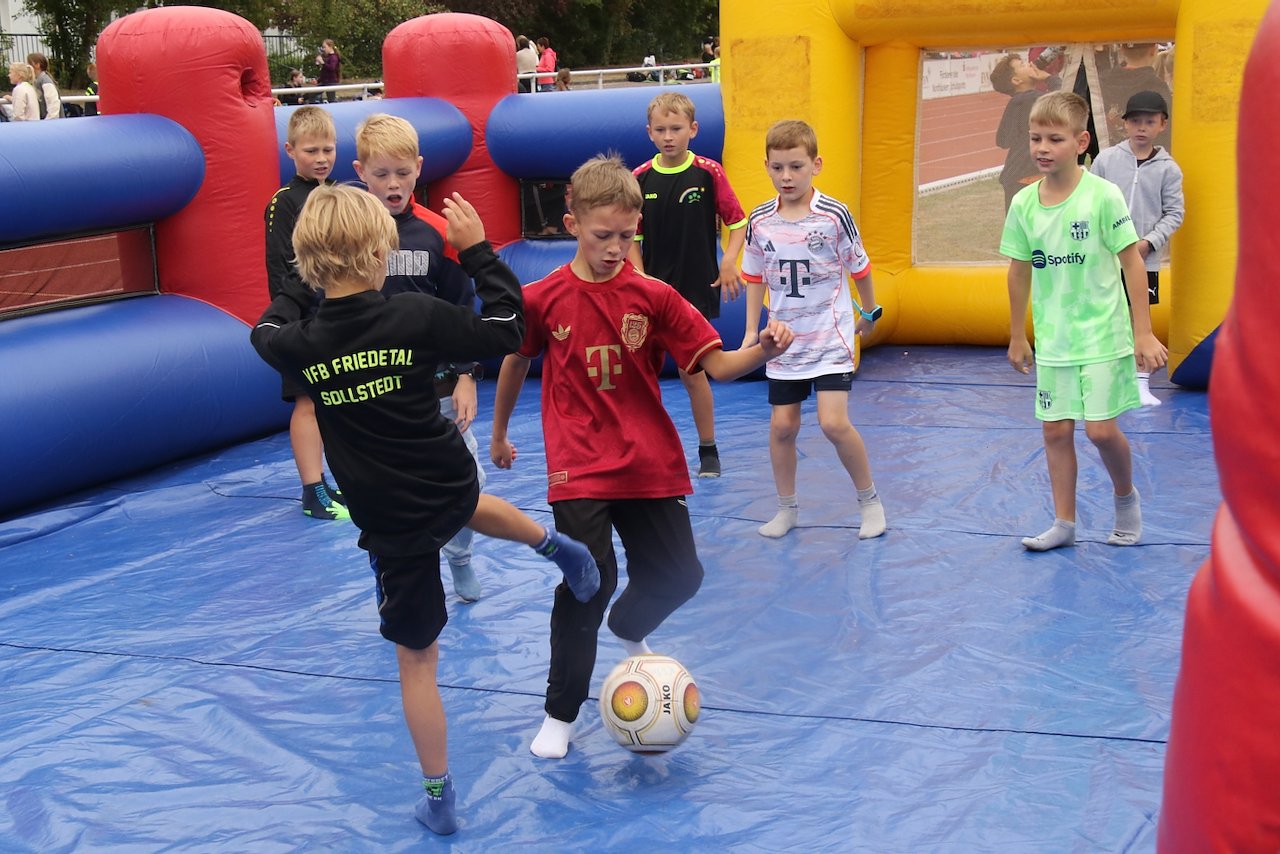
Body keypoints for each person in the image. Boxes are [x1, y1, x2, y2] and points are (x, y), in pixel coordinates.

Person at [250, 183, 600, 836]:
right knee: (467, 504)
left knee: (417, 663)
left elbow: (264, 329)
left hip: (388, 516)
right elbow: (508, 327)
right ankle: (557, 547)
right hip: (441, 473)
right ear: (381, 253)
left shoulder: (297, 342)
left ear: (309, 262)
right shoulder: (413, 315)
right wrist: (477, 252)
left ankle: (439, 797)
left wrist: (302, 283)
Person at [489, 155, 795, 760]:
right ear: (572, 224)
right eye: (602, 235)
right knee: (588, 582)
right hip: (579, 464)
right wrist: (498, 434)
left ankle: (628, 627)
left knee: (682, 576)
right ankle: (560, 713)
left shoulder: (653, 296)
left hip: (649, 460)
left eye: (626, 236)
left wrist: (763, 349)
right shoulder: (542, 298)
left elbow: (719, 366)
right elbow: (516, 361)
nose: (614, 248)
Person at [1000, 91, 1168, 551]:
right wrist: (1017, 335)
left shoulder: (1102, 196)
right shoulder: (1024, 204)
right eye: (1035, 138)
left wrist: (1143, 332)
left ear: (1081, 142)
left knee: (1100, 430)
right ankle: (1064, 523)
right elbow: (1018, 271)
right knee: (1055, 430)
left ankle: (1125, 498)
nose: (1042, 147)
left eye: (1055, 139)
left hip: (1102, 335)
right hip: (1055, 339)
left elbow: (1132, 262)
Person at [353, 112, 488, 602]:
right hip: (376, 389)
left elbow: (462, 307)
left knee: (468, 480)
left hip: (437, 386)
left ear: (420, 168)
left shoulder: (437, 231)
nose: (393, 184)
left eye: (403, 172)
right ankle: (395, 577)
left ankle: (460, 555)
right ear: (360, 171)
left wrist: (466, 374)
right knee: (387, 490)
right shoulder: (350, 233)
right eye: (381, 174)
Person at [740, 119, 888, 541]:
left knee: (833, 423)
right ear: (766, 167)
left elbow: (860, 267)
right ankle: (786, 508)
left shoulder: (833, 216)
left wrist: (870, 312)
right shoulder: (760, 220)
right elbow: (755, 276)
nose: (786, 177)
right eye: (778, 168)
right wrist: (752, 332)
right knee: (782, 426)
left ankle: (870, 502)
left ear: (815, 165)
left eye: (796, 167)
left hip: (829, 336)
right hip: (784, 342)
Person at [629, 91, 748, 478]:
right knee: (638, 374)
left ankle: (708, 449)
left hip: (694, 290)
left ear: (693, 130)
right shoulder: (640, 178)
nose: (669, 136)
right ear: (649, 132)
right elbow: (633, 237)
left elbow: (737, 222)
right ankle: (641, 449)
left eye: (676, 129)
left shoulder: (708, 173)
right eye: (661, 130)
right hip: (651, 293)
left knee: (692, 372)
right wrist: (640, 279)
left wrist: (729, 262)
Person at [264, 106, 346, 521]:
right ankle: (312, 488)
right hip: (303, 320)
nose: (321, 158)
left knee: (333, 401)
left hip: (337, 314)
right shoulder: (284, 202)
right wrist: (294, 318)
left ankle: (328, 479)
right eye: (311, 150)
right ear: (290, 150)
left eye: (327, 149)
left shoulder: (337, 195)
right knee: (307, 401)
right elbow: (282, 265)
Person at [1091, 90, 1184, 407]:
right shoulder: (1106, 160)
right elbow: (1090, 200)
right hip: (1104, 258)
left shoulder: (1168, 169)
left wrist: (1149, 242)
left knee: (1138, 321)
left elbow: (1174, 213)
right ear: (1125, 124)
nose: (1142, 127)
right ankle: (1104, 378)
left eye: (1150, 122)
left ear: (1162, 124)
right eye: (1135, 121)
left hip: (1144, 262)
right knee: (1103, 317)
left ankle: (1140, 383)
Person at [991, 52, 1059, 211]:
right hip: (1026, 178)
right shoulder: (1026, 99)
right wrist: (1049, 78)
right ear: (1016, 80)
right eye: (1022, 65)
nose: (1029, 64)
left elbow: (1002, 140)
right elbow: (1062, 99)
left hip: (1020, 177)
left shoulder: (1019, 102)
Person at [1098, 43, 1172, 150]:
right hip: (1146, 155)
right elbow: (1166, 131)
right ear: (1153, 50)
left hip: (1106, 152)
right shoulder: (1158, 87)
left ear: (1122, 49)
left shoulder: (1100, 83)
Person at [26, 53, 61, 120]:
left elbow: (53, 104)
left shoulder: (45, 81)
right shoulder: (38, 80)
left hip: (50, 123)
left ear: (37, 65)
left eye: (29, 64)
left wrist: (48, 121)